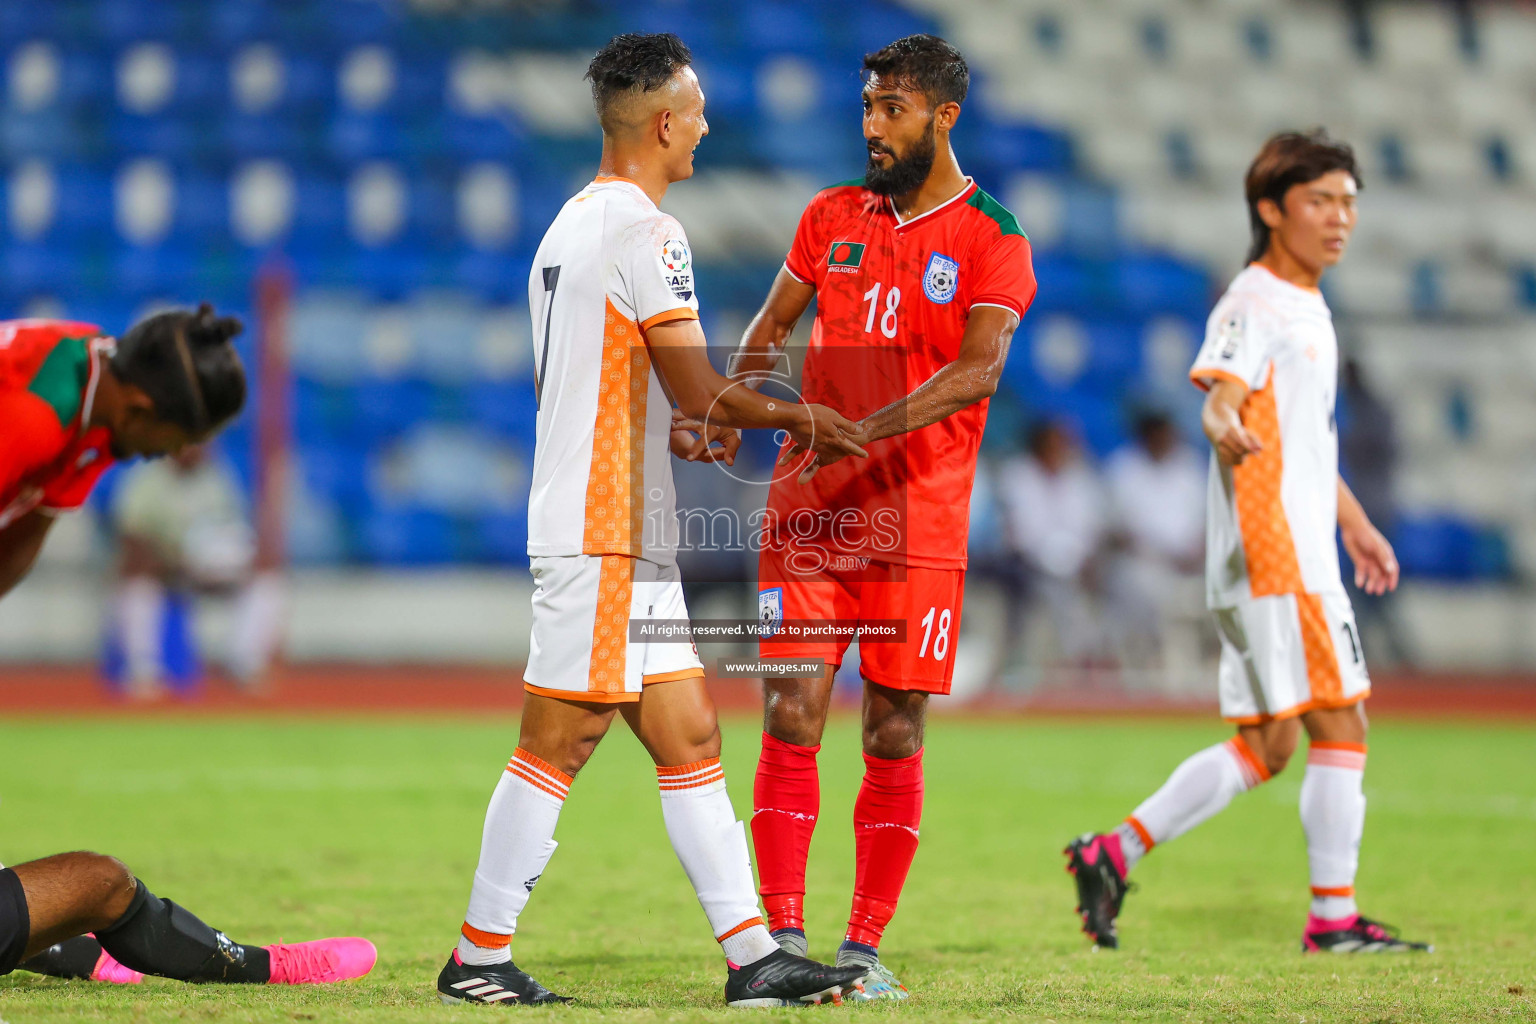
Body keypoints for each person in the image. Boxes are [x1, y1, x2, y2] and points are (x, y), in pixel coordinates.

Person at [437, 33, 873, 1008]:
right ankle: (476, 958)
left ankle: (753, 955)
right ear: (665, 122)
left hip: (623, 524)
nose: (709, 124)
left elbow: (645, 385)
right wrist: (805, 417)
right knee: (559, 739)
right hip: (604, 529)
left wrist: (691, 422)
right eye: (699, 109)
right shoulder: (648, 232)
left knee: (688, 736)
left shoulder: (568, 226)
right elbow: (696, 381)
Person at [1064, 130, 1432, 954]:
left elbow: (1303, 442)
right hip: (1276, 556)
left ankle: (1111, 851)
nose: (1341, 219)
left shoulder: (1307, 303)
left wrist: (1355, 521)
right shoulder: (1255, 299)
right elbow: (1222, 398)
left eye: (1349, 203)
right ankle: (1333, 920)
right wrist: (1221, 421)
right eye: (1321, 201)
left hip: (1293, 549)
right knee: (1343, 727)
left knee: (1266, 745)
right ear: (1271, 209)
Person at [728, 34, 1036, 995]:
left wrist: (864, 425)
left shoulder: (993, 234)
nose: (872, 125)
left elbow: (980, 370)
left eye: (892, 108)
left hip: (920, 521)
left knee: (894, 730)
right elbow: (772, 326)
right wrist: (739, 411)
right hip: (810, 516)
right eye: (868, 106)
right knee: (791, 711)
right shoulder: (830, 216)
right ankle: (781, 946)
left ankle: (862, 947)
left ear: (944, 116)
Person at [0, 308, 376, 986]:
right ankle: (254, 966)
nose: (165, 456)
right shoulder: (27, 424)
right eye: (169, 441)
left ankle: (47, 942)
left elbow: (21, 539)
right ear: (141, 405)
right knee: (99, 883)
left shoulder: (85, 367)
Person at [108, 443, 285, 697]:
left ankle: (244, 665)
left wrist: (231, 557)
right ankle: (142, 672)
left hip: (210, 569)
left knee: (266, 578)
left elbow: (234, 526)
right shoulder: (148, 477)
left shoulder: (216, 475)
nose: (199, 450)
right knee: (135, 579)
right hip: (165, 568)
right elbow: (130, 536)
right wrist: (169, 561)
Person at [1102, 409, 1207, 682]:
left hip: (1190, 565)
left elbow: (1206, 522)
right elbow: (1119, 533)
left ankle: (1200, 673)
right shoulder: (1123, 469)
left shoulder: (1188, 466)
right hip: (1142, 565)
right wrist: (1160, 556)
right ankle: (1155, 672)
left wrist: (1196, 553)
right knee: (1147, 590)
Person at [997, 419, 1107, 666]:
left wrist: (1080, 558)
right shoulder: (1017, 476)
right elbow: (1024, 534)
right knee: (1058, 592)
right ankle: (1076, 656)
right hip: (1027, 564)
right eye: (1053, 445)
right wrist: (1058, 562)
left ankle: (1097, 652)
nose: (1060, 451)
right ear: (1039, 446)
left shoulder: (1079, 478)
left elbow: (1088, 528)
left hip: (1077, 566)